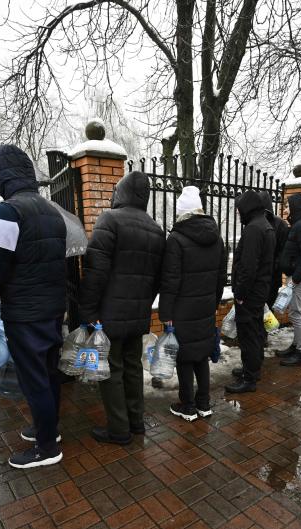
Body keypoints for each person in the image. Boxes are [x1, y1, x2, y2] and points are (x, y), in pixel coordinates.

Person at [0, 145, 67, 468]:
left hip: (26, 311)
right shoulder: (52, 211)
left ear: (1, 176)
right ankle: (49, 430)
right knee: (49, 372)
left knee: (34, 378)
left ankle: (46, 447)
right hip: (53, 307)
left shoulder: (8, 212)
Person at [80, 171, 166, 444]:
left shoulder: (110, 220)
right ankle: (136, 421)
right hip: (137, 314)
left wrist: (89, 311)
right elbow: (157, 278)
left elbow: (95, 272)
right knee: (132, 367)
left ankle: (119, 429)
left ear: (122, 192)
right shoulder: (155, 229)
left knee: (111, 370)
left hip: (109, 315)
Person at [158, 187, 226, 421]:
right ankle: (204, 404)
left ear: (181, 213)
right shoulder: (217, 238)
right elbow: (220, 277)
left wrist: (165, 312)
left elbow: (170, 280)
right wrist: (214, 302)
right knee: (201, 355)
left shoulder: (176, 240)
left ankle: (187, 406)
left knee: (184, 357)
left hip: (182, 309)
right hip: (206, 307)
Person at [226, 190, 275, 393]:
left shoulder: (254, 229)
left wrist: (240, 294)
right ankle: (252, 368)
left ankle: (250, 378)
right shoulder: (265, 225)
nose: (238, 214)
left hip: (250, 294)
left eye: (239, 210)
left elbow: (248, 267)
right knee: (255, 332)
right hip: (259, 290)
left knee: (248, 334)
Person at [275, 193, 301, 366]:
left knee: (296, 312)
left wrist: (295, 280)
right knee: (294, 311)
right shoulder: (298, 225)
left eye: (287, 206)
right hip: (296, 275)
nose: (285, 210)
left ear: (296, 207)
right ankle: (296, 345)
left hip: (299, 277)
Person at [263, 192, 290, 316]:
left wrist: (275, 266)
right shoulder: (257, 222)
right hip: (261, 275)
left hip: (273, 275)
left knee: (268, 307)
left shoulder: (280, 224)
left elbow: (284, 251)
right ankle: (260, 333)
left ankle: (264, 333)